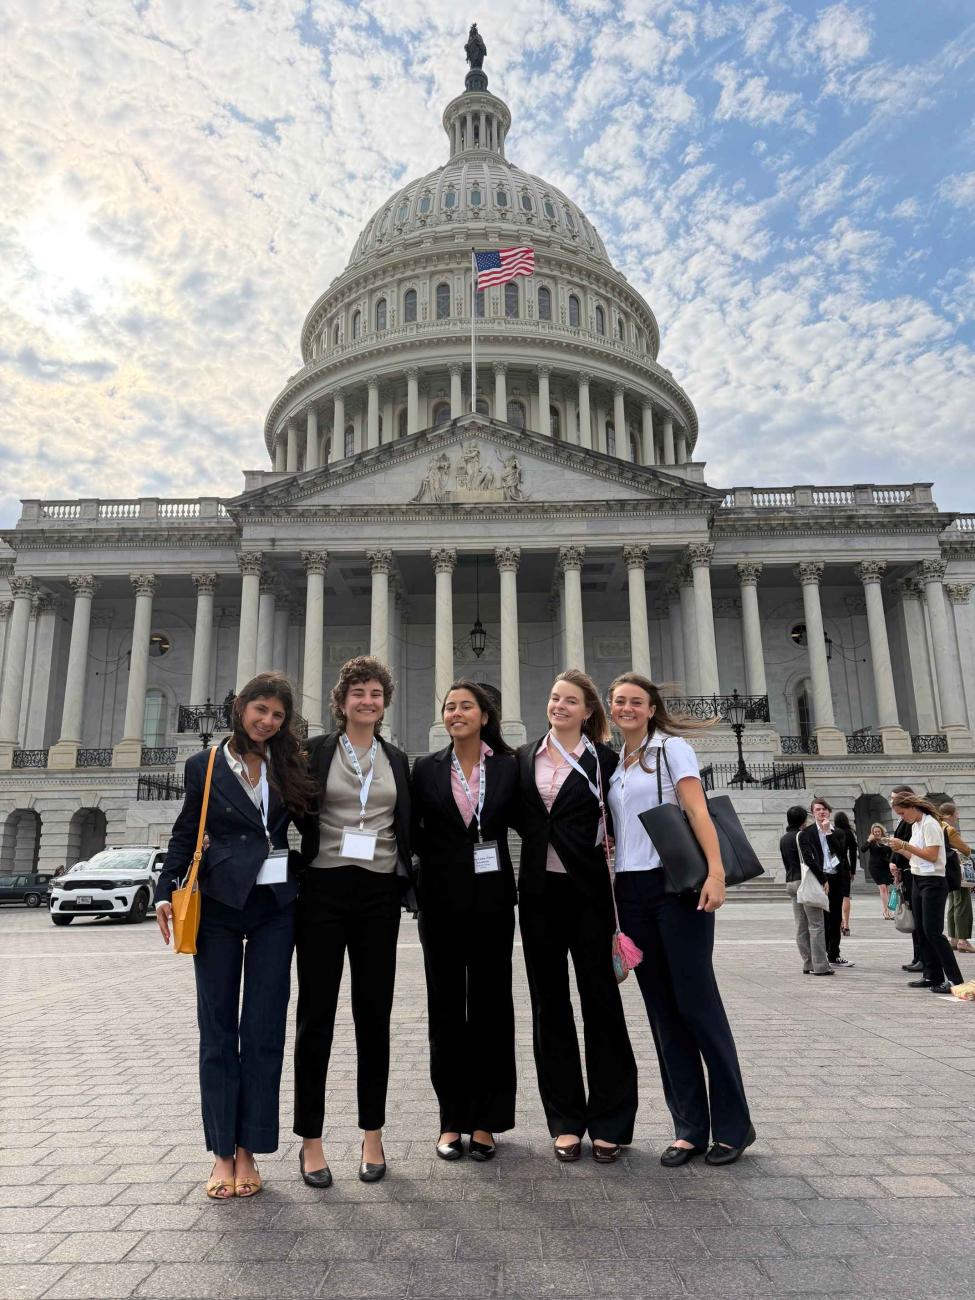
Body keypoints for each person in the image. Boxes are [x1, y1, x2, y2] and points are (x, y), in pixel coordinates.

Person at [154, 672, 315, 1200]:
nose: (267, 721)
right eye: (260, 710)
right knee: (218, 1030)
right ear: (240, 708)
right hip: (219, 904)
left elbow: (310, 826)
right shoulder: (204, 765)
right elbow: (186, 832)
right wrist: (163, 888)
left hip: (273, 907)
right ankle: (223, 1153)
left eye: (277, 715)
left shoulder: (289, 762)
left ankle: (252, 1148)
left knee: (265, 1029)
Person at [608, 672, 755, 1167]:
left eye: (635, 701)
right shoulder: (618, 764)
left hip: (677, 887)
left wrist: (715, 872)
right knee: (661, 1012)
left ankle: (733, 1127)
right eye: (618, 701)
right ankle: (689, 1127)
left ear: (651, 708)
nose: (625, 708)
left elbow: (696, 812)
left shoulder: (671, 750)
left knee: (698, 1005)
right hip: (631, 891)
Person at [293, 657, 412, 1186]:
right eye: (358, 693)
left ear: (384, 704)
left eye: (376, 694)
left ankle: (372, 1133)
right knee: (315, 1017)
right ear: (341, 703)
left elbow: (406, 824)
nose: (367, 701)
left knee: (373, 1016)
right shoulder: (314, 753)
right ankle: (311, 1142)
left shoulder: (396, 760)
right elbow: (288, 809)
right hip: (322, 889)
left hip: (378, 893)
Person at [516, 669, 637, 1164]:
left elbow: (628, 822)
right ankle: (565, 1119)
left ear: (588, 711)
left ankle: (610, 1119)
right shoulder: (523, 760)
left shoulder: (608, 763)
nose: (559, 706)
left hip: (589, 894)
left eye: (570, 700)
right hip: (540, 896)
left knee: (601, 1003)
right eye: (553, 697)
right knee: (550, 1007)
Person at [411, 680, 519, 1162]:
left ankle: (488, 1120)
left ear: (485, 716)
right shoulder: (426, 769)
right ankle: (451, 1118)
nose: (456, 713)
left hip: (494, 901)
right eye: (449, 706)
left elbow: (534, 826)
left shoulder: (510, 768)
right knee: (447, 1009)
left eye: (465, 706)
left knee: (494, 1007)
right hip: (441, 902)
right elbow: (410, 832)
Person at [887, 793, 963, 994]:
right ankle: (932, 975)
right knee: (921, 929)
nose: (902, 817)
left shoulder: (930, 824)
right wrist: (900, 853)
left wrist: (904, 845)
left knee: (933, 931)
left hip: (934, 881)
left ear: (912, 807)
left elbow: (931, 855)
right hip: (918, 878)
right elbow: (916, 855)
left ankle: (955, 979)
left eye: (903, 813)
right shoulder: (916, 825)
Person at [797, 797, 853, 968]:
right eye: (817, 810)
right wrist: (821, 878)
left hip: (835, 877)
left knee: (836, 917)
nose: (821, 812)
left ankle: (834, 953)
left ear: (829, 811)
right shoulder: (808, 833)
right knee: (822, 918)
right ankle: (822, 953)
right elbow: (808, 857)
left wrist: (828, 833)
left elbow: (842, 853)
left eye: (824, 809)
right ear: (812, 813)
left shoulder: (838, 832)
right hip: (819, 878)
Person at [780, 806, 832, 976]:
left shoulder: (784, 838)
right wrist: (823, 879)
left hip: (791, 881)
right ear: (803, 820)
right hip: (805, 882)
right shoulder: (800, 835)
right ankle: (820, 965)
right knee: (816, 924)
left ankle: (807, 962)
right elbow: (808, 859)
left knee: (801, 926)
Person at [888, 785, 926, 975]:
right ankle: (918, 956)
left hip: (914, 871)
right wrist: (893, 863)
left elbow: (910, 848)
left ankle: (922, 957)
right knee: (913, 913)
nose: (893, 802)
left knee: (917, 916)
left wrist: (897, 859)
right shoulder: (904, 820)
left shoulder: (915, 822)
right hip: (906, 869)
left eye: (896, 799)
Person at [939, 802, 974, 954]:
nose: (957, 815)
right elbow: (965, 849)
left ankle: (953, 938)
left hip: (945, 871)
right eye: (956, 813)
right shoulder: (949, 829)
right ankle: (963, 940)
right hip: (956, 870)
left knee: (953, 902)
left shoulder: (937, 826)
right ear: (950, 815)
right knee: (963, 902)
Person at [832, 810, 858, 937]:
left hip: (833, 866)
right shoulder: (849, 833)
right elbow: (853, 853)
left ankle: (840, 922)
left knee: (836, 897)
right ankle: (847, 925)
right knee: (846, 896)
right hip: (845, 866)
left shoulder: (832, 831)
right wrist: (852, 870)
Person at [861, 823, 894, 918]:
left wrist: (891, 863)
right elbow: (863, 849)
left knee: (887, 889)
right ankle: (886, 911)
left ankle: (888, 911)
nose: (877, 833)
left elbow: (892, 853)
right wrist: (868, 840)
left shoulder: (886, 841)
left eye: (878, 831)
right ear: (872, 833)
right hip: (875, 867)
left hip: (885, 866)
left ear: (882, 832)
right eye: (875, 832)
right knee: (883, 888)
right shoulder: (871, 842)